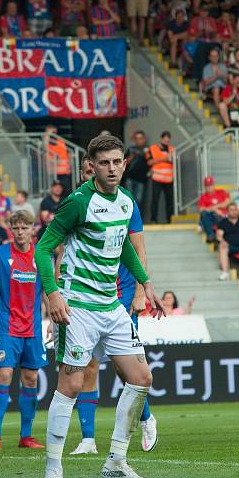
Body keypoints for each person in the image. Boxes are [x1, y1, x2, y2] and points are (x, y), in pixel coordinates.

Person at [35, 133, 164, 478]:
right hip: (77, 307)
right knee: (72, 383)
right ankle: (53, 471)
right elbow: (43, 250)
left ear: (125, 164)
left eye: (117, 162)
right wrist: (53, 294)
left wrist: (145, 282)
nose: (111, 168)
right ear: (92, 165)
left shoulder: (125, 201)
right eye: (104, 162)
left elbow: (121, 245)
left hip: (111, 305)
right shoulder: (78, 202)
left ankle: (116, 462)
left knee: (141, 379)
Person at [69, 157, 158, 457]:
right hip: (88, 296)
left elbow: (138, 249)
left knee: (126, 368)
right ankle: (88, 438)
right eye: (86, 171)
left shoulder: (125, 202)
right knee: (88, 365)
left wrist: (139, 294)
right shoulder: (79, 204)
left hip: (121, 292)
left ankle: (145, 418)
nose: (90, 174)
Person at [0, 210, 46, 451]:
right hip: (7, 327)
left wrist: (51, 319)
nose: (20, 232)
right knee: (5, 375)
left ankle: (26, 436)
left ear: (32, 229)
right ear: (11, 230)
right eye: (16, 228)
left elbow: (48, 288)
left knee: (30, 378)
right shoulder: (0, 255)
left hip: (33, 328)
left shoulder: (41, 255)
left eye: (25, 228)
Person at [217, 203, 239, 281]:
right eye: (231, 210)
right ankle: (225, 272)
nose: (234, 212)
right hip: (230, 246)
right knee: (222, 246)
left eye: (235, 210)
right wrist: (223, 241)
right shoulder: (223, 222)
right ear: (228, 212)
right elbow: (219, 235)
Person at [146, 131, 175, 224]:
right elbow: (149, 162)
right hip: (157, 178)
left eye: (168, 140)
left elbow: (176, 162)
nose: (166, 142)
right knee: (155, 200)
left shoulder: (172, 149)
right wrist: (164, 159)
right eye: (165, 140)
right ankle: (154, 219)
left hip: (169, 179)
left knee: (170, 202)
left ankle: (170, 220)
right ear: (161, 139)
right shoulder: (152, 148)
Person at [197, 176, 230, 242]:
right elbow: (201, 209)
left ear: (213, 185)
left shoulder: (221, 192)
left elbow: (227, 203)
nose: (209, 187)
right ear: (205, 187)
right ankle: (211, 235)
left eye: (211, 185)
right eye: (207, 185)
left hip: (224, 216)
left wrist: (213, 207)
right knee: (204, 214)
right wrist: (215, 210)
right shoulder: (203, 197)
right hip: (213, 217)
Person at [123, 131, 148, 211]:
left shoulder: (147, 150)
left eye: (141, 138)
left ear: (144, 139)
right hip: (130, 178)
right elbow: (124, 162)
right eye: (137, 138)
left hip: (141, 179)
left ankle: (137, 219)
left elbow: (150, 162)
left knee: (139, 200)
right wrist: (132, 156)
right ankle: (129, 220)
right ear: (135, 140)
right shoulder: (130, 149)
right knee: (129, 200)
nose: (139, 140)